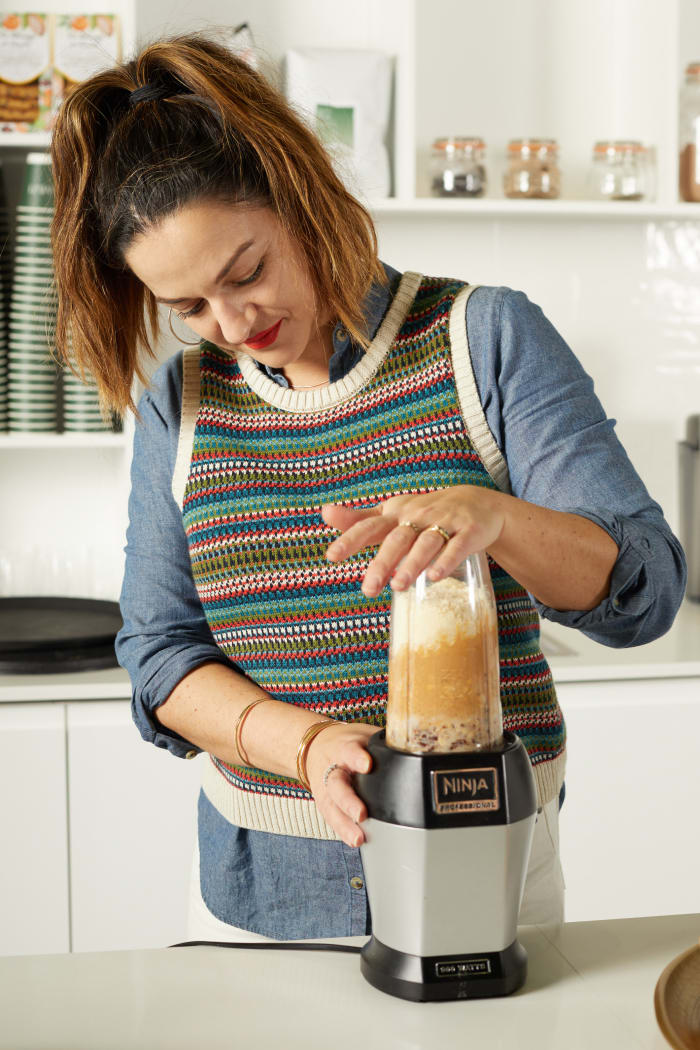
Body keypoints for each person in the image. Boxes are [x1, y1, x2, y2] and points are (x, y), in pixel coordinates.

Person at [51, 34, 686, 944]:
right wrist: (305, 746)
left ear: (299, 195)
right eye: (188, 308)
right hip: (260, 894)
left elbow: (645, 593)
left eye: (246, 272)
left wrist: (496, 519)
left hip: (485, 863)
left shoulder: (483, 338)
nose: (232, 323)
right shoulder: (181, 404)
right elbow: (158, 655)